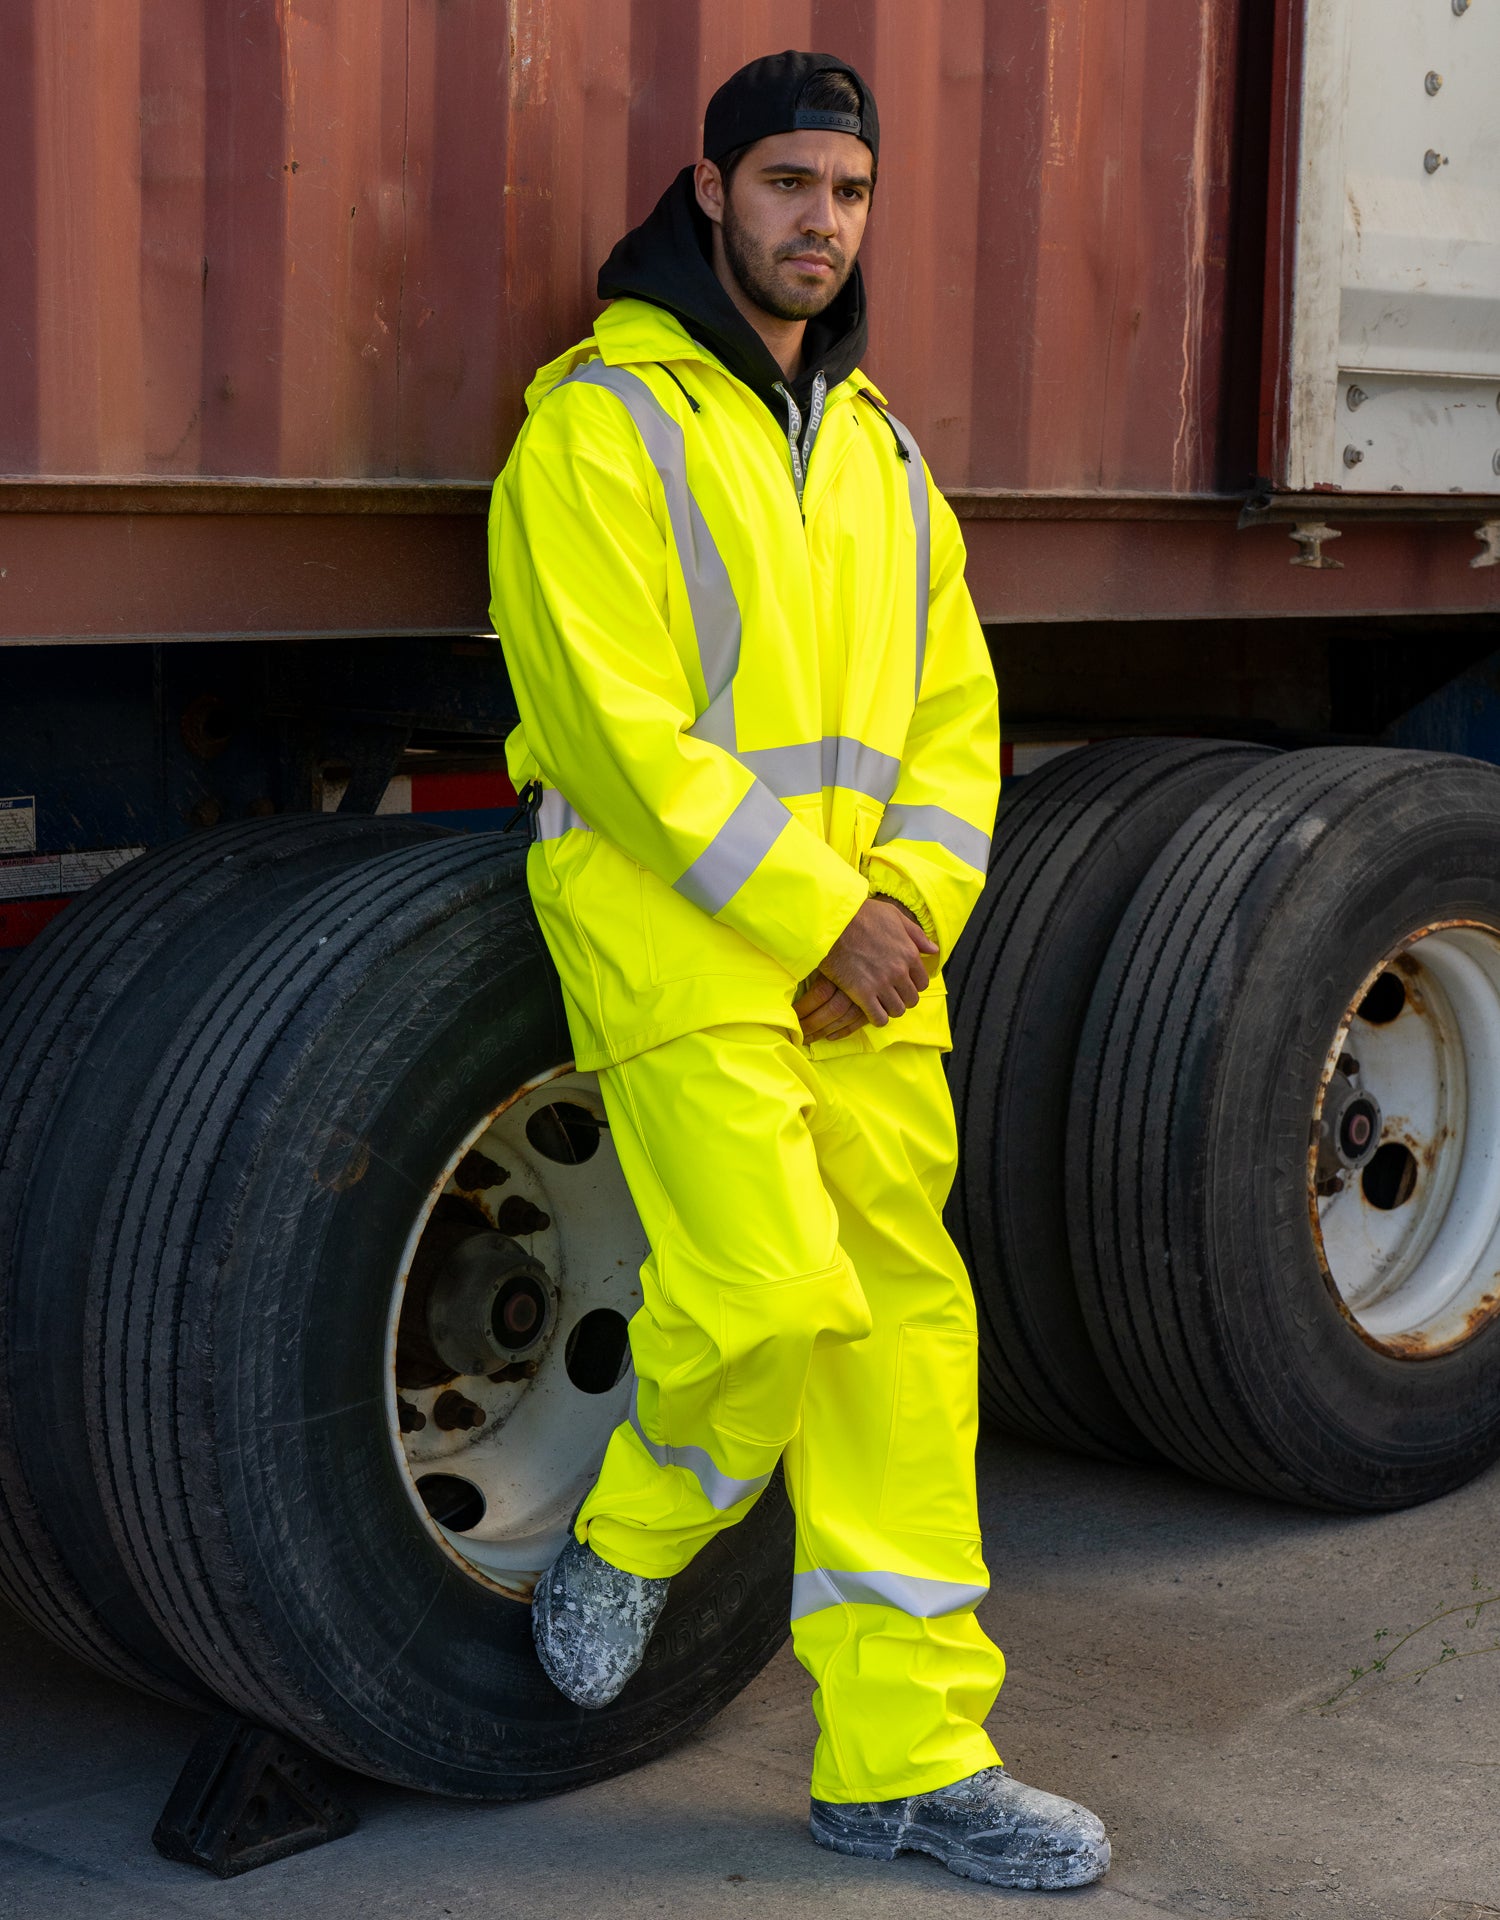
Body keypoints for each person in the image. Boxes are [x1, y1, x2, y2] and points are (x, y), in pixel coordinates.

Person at [487, 49, 1110, 1894]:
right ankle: (633, 1532)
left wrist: (902, 914)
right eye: (785, 188)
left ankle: (907, 1763)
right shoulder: (598, 422)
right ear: (709, 191)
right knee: (763, 1297)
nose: (819, 224)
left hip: (865, 963)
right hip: (681, 934)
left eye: (845, 194)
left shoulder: (887, 454)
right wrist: (821, 916)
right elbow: (615, 734)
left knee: (903, 1353)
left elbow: (953, 724)